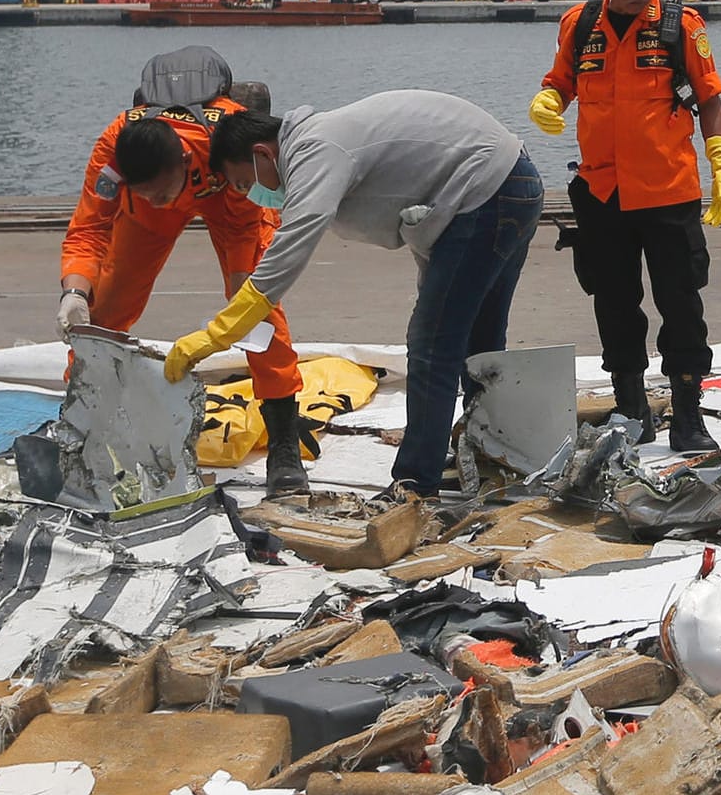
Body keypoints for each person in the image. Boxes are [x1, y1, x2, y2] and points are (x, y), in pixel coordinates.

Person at [163, 90, 543, 501]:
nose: (249, 195)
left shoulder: (314, 150)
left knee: (433, 345)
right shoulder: (321, 141)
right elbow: (425, 217)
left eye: (244, 182)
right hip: (507, 185)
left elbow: (289, 249)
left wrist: (216, 335)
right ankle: (493, 462)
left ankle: (416, 484)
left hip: (490, 191)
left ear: (262, 153)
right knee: (478, 339)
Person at [58, 47, 310, 496]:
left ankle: (284, 443)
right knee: (105, 313)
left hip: (227, 197)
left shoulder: (226, 141)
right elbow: (89, 228)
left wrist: (239, 305)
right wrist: (74, 293)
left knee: (260, 314)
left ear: (180, 164)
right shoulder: (113, 153)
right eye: (146, 192)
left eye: (160, 191)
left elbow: (243, 229)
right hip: (143, 221)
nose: (158, 198)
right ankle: (79, 423)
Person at [528, 0, 721, 453]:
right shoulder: (578, 26)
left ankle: (688, 416)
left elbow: (709, 100)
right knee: (615, 306)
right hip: (602, 195)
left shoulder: (681, 27)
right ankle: (631, 408)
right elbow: (561, 81)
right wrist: (548, 100)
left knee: (682, 306)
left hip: (668, 192)